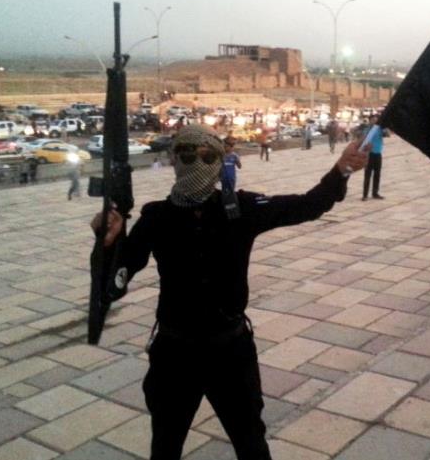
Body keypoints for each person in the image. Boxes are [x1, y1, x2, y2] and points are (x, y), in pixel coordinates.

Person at [91, 124, 369, 460]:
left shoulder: (241, 209)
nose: (197, 161)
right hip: (175, 353)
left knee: (251, 442)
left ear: (220, 160)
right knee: (165, 444)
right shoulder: (156, 217)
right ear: (174, 159)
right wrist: (108, 244)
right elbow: (115, 284)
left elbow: (307, 205)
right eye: (187, 154)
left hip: (230, 351)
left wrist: (341, 170)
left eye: (207, 155)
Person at [362, 121, 384, 200]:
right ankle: (365, 195)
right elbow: (363, 140)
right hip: (369, 155)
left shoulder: (380, 129)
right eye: (373, 120)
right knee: (367, 175)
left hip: (378, 154)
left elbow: (387, 134)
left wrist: (385, 126)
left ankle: (375, 193)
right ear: (370, 121)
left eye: (376, 120)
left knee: (377, 174)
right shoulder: (367, 130)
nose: (374, 122)